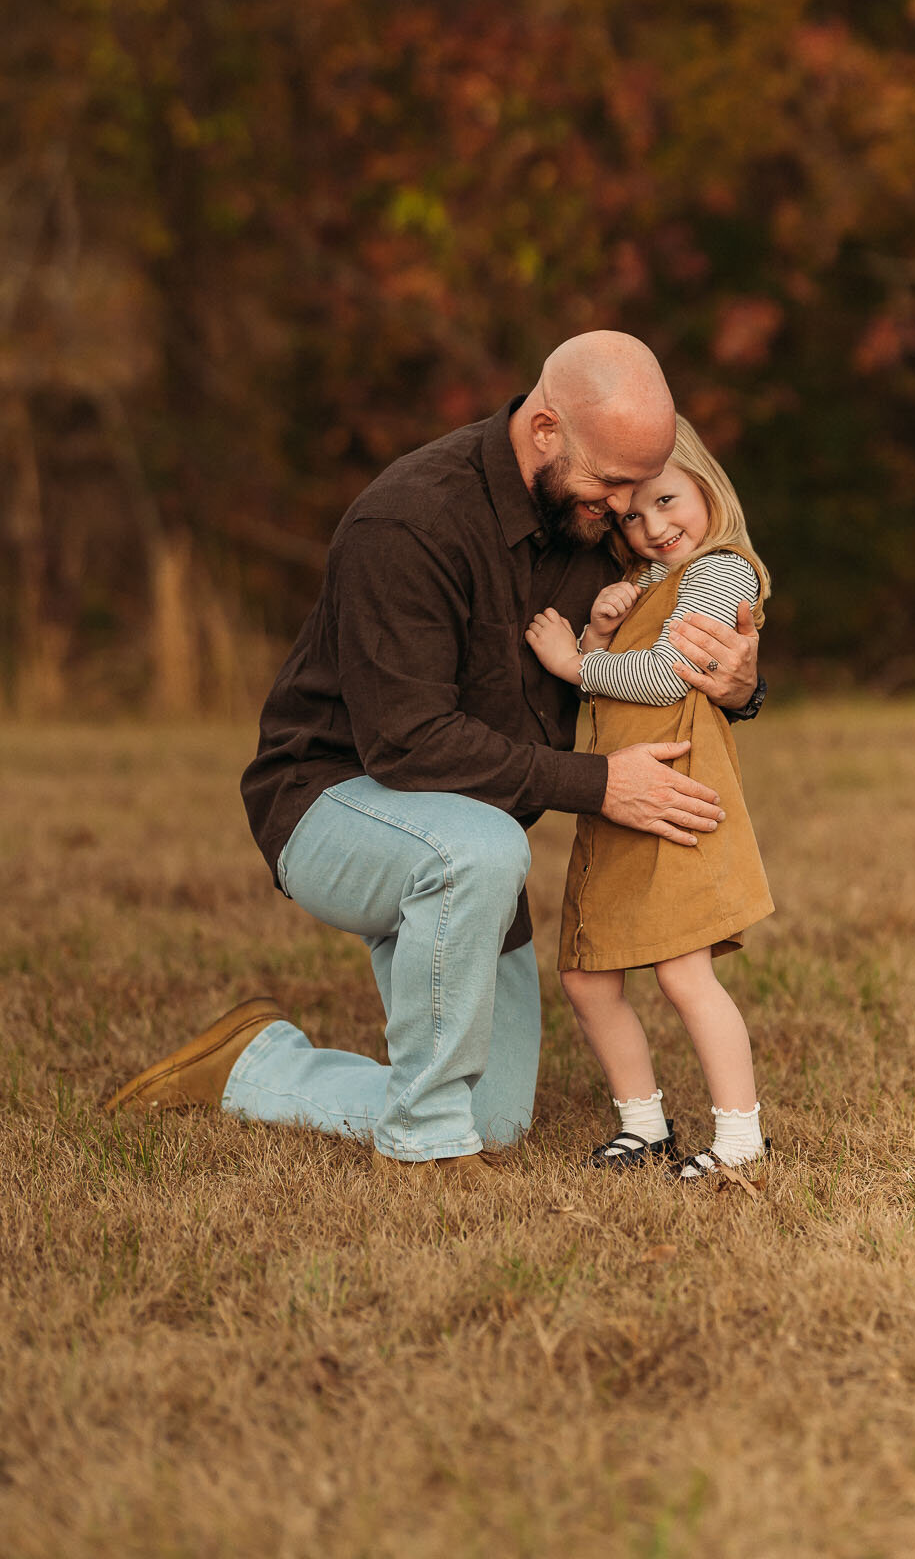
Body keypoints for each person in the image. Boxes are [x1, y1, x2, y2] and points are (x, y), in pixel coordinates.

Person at [103, 334, 765, 1187]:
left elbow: (674, 642)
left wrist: (740, 685)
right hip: (332, 802)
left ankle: (252, 1067)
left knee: (494, 1117)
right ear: (546, 430)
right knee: (481, 852)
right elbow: (408, 744)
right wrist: (602, 786)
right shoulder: (410, 521)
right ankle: (425, 1148)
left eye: (639, 492)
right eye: (610, 488)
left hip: (468, 824)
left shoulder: (597, 517)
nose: (627, 513)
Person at [525, 415, 773, 1181]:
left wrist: (574, 664)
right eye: (631, 516)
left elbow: (668, 678)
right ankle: (643, 1126)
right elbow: (624, 683)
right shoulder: (651, 581)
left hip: (675, 799)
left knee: (682, 973)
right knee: (587, 973)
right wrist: (602, 636)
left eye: (666, 501)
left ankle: (740, 1141)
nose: (653, 526)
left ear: (704, 482)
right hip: (620, 797)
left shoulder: (721, 570)